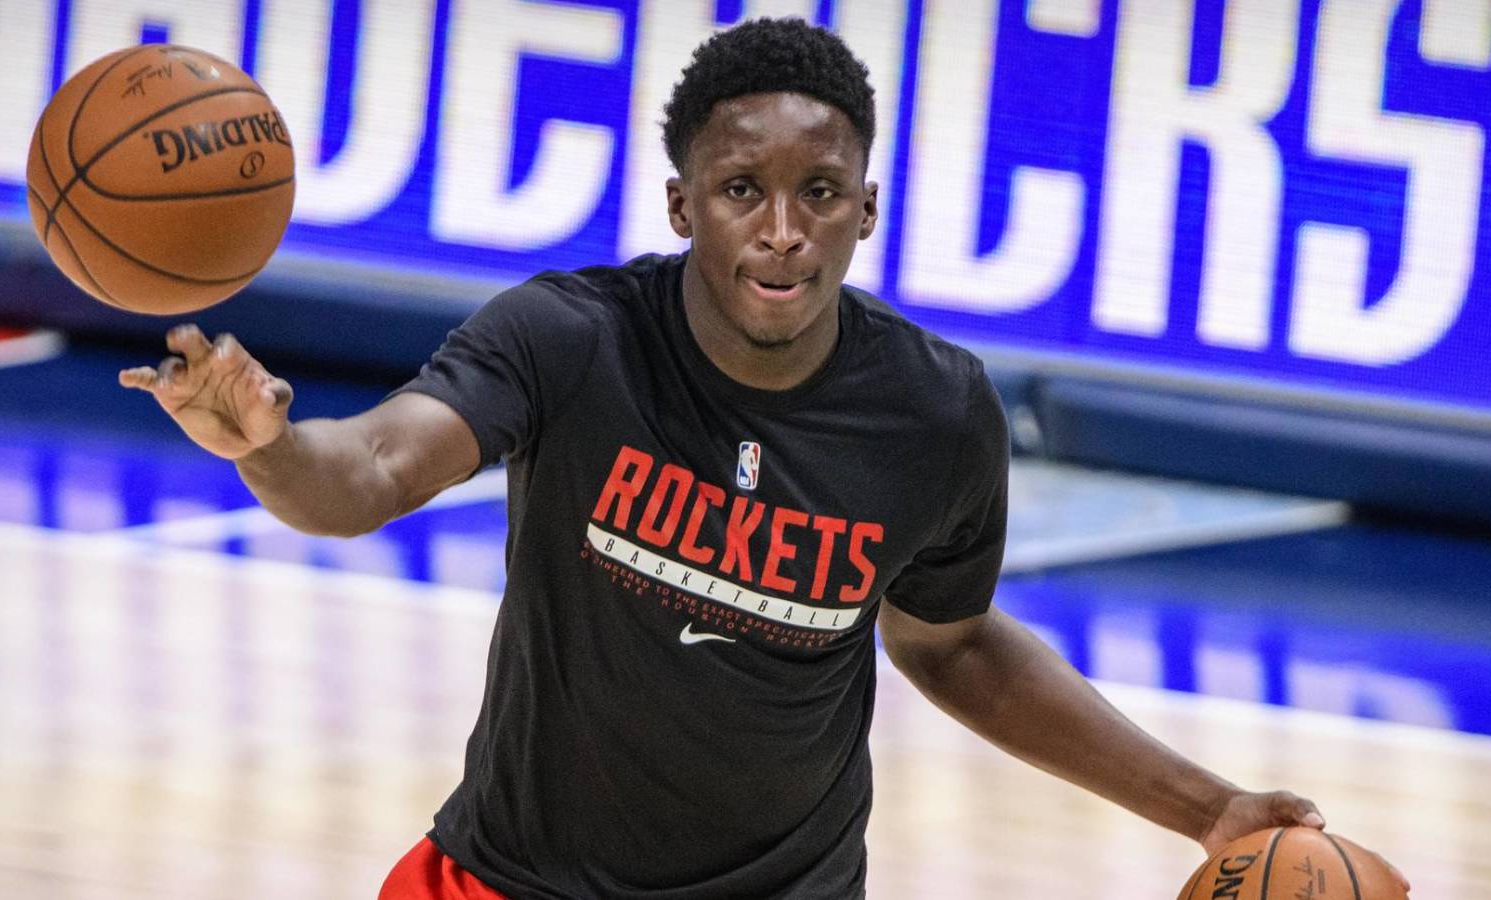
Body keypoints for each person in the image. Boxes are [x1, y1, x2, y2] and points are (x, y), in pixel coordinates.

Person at [120, 17, 1407, 900]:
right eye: (742, 190)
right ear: (681, 205)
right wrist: (271, 448)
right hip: (510, 880)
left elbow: (953, 644)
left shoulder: (935, 415)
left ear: (867, 209)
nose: (783, 229)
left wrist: (1204, 810)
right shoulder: (568, 339)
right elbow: (371, 474)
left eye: (820, 192)